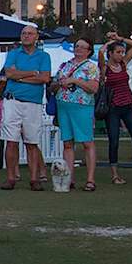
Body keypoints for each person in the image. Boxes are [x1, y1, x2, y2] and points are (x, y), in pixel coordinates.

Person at [0, 25, 52, 191]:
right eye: (24, 33)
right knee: (11, 140)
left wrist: (19, 76)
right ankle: (10, 178)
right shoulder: (13, 53)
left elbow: (44, 78)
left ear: (36, 37)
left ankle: (34, 179)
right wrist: (31, 74)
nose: (26, 36)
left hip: (32, 103)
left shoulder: (44, 56)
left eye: (30, 34)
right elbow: (9, 74)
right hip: (13, 101)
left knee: (32, 141)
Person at [98, 32, 132, 184]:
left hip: (128, 104)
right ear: (111, 53)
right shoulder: (105, 68)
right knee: (114, 141)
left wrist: (119, 39)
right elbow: (101, 53)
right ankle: (115, 174)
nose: (121, 54)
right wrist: (109, 43)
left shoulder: (123, 64)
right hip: (113, 107)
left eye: (122, 52)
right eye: (118, 52)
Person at [54, 37, 100, 190]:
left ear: (89, 51)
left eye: (82, 47)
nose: (78, 49)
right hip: (64, 105)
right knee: (67, 142)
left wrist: (75, 81)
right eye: (76, 46)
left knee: (87, 142)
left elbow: (93, 88)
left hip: (82, 106)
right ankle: (69, 178)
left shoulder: (91, 67)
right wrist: (58, 83)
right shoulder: (64, 65)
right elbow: (53, 84)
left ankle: (90, 179)